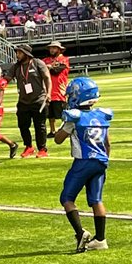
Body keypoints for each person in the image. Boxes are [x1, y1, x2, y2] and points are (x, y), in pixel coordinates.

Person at [53, 77, 112, 253]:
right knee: (96, 200)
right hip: (101, 161)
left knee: (67, 198)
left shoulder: (74, 118)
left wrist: (63, 127)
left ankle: (80, 233)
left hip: (83, 162)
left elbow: (58, 139)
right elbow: (107, 145)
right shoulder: (101, 115)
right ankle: (100, 239)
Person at [7, 44, 51, 158]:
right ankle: (29, 147)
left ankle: (42, 149)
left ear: (26, 54)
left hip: (39, 99)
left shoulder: (37, 63)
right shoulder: (16, 67)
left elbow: (47, 77)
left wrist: (48, 93)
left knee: (39, 126)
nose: (17, 55)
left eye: (19, 52)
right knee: (23, 125)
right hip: (23, 101)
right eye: (17, 52)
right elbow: (6, 79)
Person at [43, 41, 71, 139]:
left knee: (62, 113)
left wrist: (49, 67)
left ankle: (66, 130)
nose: (52, 50)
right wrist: (49, 67)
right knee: (50, 114)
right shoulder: (45, 60)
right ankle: (52, 130)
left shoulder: (64, 59)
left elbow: (56, 71)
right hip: (48, 91)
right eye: (51, 48)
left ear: (59, 49)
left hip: (60, 91)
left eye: (54, 48)